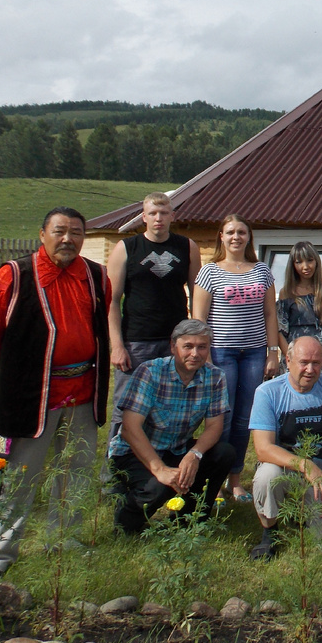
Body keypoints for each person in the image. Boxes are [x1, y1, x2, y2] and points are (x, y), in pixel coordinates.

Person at [0, 206, 111, 578]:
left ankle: (64, 540)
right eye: (60, 231)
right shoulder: (14, 275)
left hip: (83, 391)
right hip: (32, 396)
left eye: (76, 233)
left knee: (77, 470)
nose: (68, 239)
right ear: (42, 234)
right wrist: (25, 368)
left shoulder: (96, 276)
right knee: (18, 476)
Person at [107, 320, 235, 533]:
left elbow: (214, 426)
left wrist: (194, 455)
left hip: (177, 448)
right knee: (157, 489)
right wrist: (160, 470)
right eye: (188, 346)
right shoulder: (150, 372)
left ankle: (190, 519)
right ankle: (127, 516)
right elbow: (130, 428)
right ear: (173, 347)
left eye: (202, 347)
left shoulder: (215, 377)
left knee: (224, 453)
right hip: (134, 452)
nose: (195, 353)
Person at [192, 215, 280, 504]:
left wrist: (272, 351)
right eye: (230, 232)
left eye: (242, 232)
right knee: (222, 418)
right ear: (221, 236)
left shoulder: (262, 271)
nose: (236, 237)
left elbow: (270, 314)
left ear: (249, 237)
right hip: (221, 353)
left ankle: (235, 479)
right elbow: (199, 319)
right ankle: (213, 481)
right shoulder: (210, 272)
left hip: (254, 353)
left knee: (245, 419)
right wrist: (202, 354)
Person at [106, 192, 201, 446]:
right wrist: (117, 346)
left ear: (172, 216)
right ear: (144, 217)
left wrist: (196, 339)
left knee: (171, 408)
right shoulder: (126, 248)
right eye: (152, 213)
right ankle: (115, 477)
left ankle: (163, 467)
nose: (158, 218)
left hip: (175, 343)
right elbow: (112, 302)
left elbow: (197, 295)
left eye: (163, 213)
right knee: (127, 411)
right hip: (137, 342)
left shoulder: (187, 247)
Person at [248, 336, 322, 558]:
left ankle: (302, 515)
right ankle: (270, 532)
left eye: (317, 363)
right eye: (304, 362)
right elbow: (263, 449)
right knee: (267, 475)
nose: (310, 369)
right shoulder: (268, 392)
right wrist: (304, 465)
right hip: (286, 472)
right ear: (288, 360)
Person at [279, 240, 322, 375]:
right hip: (294, 358)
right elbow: (280, 332)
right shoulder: (286, 292)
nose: (305, 266)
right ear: (292, 265)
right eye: (299, 262)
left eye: (309, 260)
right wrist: (290, 358)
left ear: (316, 261)